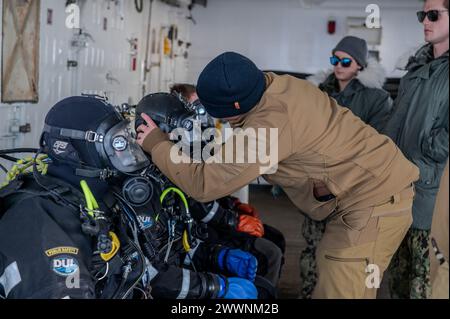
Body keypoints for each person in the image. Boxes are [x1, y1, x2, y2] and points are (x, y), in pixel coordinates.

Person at [136, 51, 419, 298]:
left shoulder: (268, 126)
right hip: (374, 189)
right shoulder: (275, 85)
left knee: (343, 282)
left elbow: (204, 184)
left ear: (232, 108)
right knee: (343, 278)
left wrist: (156, 143)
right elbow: (243, 144)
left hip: (372, 203)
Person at [0, 96, 258, 299]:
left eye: (126, 138)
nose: (129, 150)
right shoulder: (38, 217)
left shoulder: (107, 197)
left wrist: (213, 273)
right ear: (76, 149)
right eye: (118, 143)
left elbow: (143, 267)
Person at [299, 35, 393, 298]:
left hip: (352, 192)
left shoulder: (377, 99)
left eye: (345, 60)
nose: (338, 65)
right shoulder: (318, 93)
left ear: (359, 65)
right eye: (334, 59)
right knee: (311, 248)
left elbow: (378, 144)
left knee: (345, 255)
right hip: (316, 187)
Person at [384, 0, 449, 299]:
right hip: (397, 196)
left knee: (423, 288)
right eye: (423, 14)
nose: (425, 20)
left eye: (434, 14)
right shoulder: (413, 68)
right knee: (396, 283)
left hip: (430, 201)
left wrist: (427, 148)